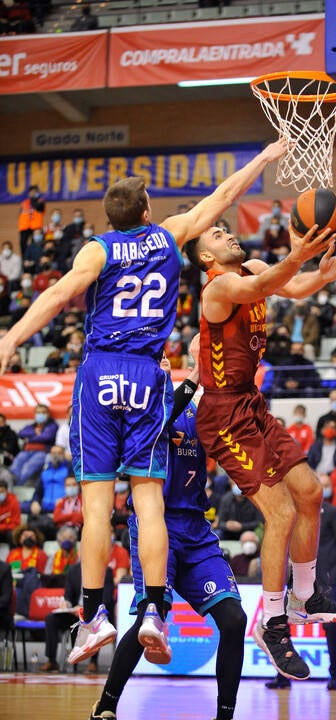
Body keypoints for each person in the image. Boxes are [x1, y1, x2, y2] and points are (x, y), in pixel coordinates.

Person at [0, 140, 290, 665]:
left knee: (95, 505)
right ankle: (154, 611)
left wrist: (11, 339)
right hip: (147, 377)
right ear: (148, 209)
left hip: (102, 371)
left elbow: (58, 295)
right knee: (148, 498)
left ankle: (92, 619)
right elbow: (221, 196)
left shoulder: (98, 248)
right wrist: (266, 157)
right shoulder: (168, 235)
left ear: (111, 218)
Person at [184, 218, 336, 681]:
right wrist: (298, 254)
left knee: (310, 491)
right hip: (223, 415)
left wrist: (318, 276)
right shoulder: (217, 290)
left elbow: (289, 287)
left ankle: (306, 598)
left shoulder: (256, 268)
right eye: (218, 235)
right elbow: (268, 282)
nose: (228, 233)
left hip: (251, 402)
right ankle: (272, 622)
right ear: (206, 258)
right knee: (280, 512)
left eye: (227, 229)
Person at [90, 343, 247, 720]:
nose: (159, 362)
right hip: (155, 526)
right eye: (151, 360)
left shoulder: (195, 408)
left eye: (162, 358)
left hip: (195, 526)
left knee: (235, 620)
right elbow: (164, 414)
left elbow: (225, 427)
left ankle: (224, 715)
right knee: (151, 615)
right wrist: (197, 371)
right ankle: (107, 706)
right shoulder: (133, 411)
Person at [266, 472, 336, 691]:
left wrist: (334, 575)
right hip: (296, 576)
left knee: (330, 629)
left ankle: (334, 675)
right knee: (281, 624)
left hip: (324, 578)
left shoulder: (331, 512)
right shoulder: (293, 512)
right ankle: (283, 675)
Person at [10, 404, 58, 486]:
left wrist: (29, 439)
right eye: (38, 412)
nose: (40, 414)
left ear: (48, 414)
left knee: (28, 468)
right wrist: (35, 433)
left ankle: (16, 485)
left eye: (43, 412)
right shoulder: (32, 426)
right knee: (16, 464)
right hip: (27, 451)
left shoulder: (53, 425)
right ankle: (11, 483)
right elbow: (21, 433)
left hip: (42, 452)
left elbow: (47, 437)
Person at [0, 478, 21, 547]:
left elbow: (16, 523)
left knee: (12, 534)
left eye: (2, 492)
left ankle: (13, 556)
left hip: (8, 531)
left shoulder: (13, 501)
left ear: (6, 491)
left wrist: (2, 527)